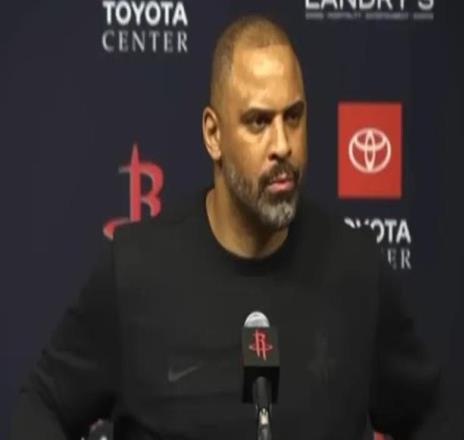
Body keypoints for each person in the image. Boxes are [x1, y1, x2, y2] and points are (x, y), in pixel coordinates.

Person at [9, 15, 440, 440]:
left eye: (293, 117)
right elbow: (42, 404)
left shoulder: (356, 269)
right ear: (213, 134)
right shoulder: (134, 271)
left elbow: (432, 413)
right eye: (258, 122)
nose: (282, 145)